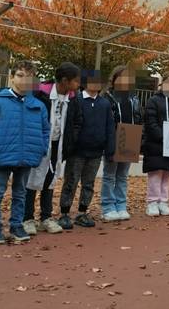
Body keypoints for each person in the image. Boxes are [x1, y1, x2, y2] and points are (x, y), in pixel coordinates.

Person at [24, 62, 81, 236]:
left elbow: (77, 121)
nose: (78, 85)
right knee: (32, 180)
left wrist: (71, 141)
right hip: (39, 144)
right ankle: (27, 218)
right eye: (76, 81)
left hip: (59, 145)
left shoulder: (72, 98)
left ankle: (46, 217)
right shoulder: (39, 94)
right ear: (65, 80)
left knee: (50, 179)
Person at [0, 61, 50, 243]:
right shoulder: (0, 101)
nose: (24, 80)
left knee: (20, 193)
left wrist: (41, 149)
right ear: (11, 77)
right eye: (20, 75)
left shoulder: (38, 105)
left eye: (29, 76)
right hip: (1, 156)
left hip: (27, 156)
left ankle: (16, 226)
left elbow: (45, 130)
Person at [58, 71, 115, 229]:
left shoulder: (104, 104)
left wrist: (110, 149)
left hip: (96, 152)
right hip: (77, 151)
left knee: (88, 183)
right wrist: (70, 146)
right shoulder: (76, 100)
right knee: (71, 182)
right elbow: (69, 124)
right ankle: (64, 213)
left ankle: (82, 212)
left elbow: (110, 128)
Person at [101, 65, 143, 221]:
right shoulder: (108, 97)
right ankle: (107, 207)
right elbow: (105, 121)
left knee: (123, 175)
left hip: (130, 137)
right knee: (110, 175)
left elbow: (138, 118)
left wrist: (139, 138)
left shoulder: (134, 98)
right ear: (114, 79)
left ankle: (121, 205)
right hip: (114, 138)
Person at [142, 73, 169, 217]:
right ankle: (152, 202)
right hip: (156, 145)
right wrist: (163, 137)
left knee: (167, 174)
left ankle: (163, 201)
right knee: (155, 174)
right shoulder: (153, 101)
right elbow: (150, 122)